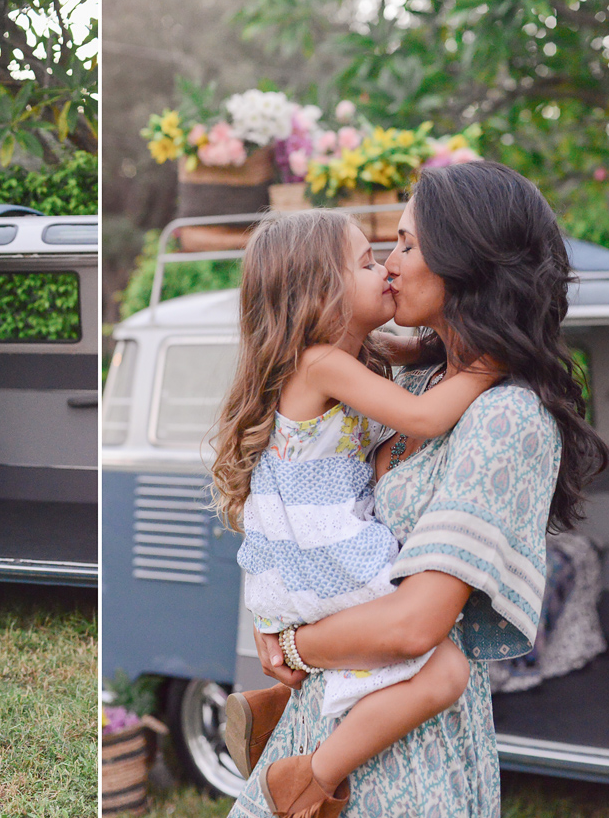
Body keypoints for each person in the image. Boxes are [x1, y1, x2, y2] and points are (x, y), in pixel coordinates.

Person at [226, 161, 608, 818]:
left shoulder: (504, 415)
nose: (391, 265)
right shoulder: (412, 385)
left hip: (407, 762)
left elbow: (415, 625)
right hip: (324, 723)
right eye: (381, 252)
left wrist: (290, 640)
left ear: (466, 262)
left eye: (405, 244)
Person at [211, 209, 497, 816]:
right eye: (367, 263)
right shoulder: (321, 364)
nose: (386, 270)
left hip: (307, 554)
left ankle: (278, 712)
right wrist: (489, 368)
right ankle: (309, 776)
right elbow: (422, 417)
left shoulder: (349, 355)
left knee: (403, 668)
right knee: (445, 672)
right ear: (322, 293)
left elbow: (416, 348)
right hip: (329, 552)